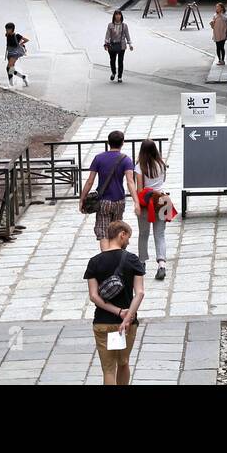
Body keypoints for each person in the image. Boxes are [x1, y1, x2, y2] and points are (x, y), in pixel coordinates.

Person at [84, 219, 146, 385]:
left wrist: (116, 311)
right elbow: (139, 293)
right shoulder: (132, 260)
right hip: (125, 325)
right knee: (123, 363)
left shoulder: (94, 262)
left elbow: (94, 296)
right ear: (121, 235)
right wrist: (126, 317)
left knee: (108, 369)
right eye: (128, 237)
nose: (128, 241)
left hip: (102, 322)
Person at [80, 130, 138, 251]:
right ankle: (117, 259)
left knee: (104, 232)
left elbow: (90, 181)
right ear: (122, 143)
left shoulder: (99, 158)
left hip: (104, 201)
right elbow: (130, 182)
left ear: (108, 142)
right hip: (119, 201)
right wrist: (136, 201)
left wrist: (82, 198)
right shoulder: (126, 160)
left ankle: (107, 260)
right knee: (117, 231)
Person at [133, 139, 174, 282]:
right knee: (160, 234)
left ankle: (142, 263)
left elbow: (140, 189)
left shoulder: (139, 167)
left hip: (148, 203)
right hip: (162, 200)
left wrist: (137, 204)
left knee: (143, 234)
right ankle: (161, 265)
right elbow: (162, 182)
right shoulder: (162, 164)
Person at [103, 9, 133, 82]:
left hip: (121, 45)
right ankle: (113, 72)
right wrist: (106, 44)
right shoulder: (110, 25)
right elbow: (107, 35)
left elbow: (127, 35)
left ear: (121, 16)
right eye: (116, 14)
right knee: (112, 60)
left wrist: (130, 45)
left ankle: (120, 76)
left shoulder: (124, 26)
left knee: (120, 61)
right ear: (114, 16)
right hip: (112, 45)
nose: (118, 16)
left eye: (119, 14)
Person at [211, 2, 227, 66]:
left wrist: (220, 14)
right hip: (216, 32)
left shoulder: (225, 14)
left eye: (218, 7)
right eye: (216, 7)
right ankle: (219, 59)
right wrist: (212, 23)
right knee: (217, 47)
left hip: (223, 32)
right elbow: (213, 26)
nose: (217, 8)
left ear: (222, 8)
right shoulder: (214, 15)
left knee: (222, 47)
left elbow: (225, 19)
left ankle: (223, 60)